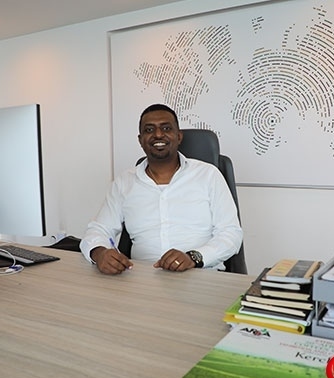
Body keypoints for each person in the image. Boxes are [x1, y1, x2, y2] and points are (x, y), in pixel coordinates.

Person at [80, 104, 243, 274]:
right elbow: (98, 229)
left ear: (178, 136)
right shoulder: (124, 182)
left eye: (166, 128)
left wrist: (193, 257)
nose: (158, 134)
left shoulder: (208, 175)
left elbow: (231, 234)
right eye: (149, 130)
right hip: (142, 278)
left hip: (201, 275)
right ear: (140, 140)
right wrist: (99, 253)